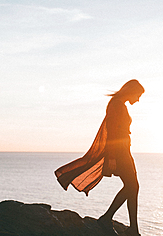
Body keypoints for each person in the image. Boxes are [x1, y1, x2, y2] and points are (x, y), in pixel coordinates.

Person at [55, 79, 144, 236]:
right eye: (138, 95)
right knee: (132, 187)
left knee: (132, 187)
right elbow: (111, 132)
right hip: (120, 152)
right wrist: (113, 158)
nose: (138, 100)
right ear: (131, 91)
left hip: (125, 151)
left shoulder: (119, 104)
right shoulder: (116, 104)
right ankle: (127, 227)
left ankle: (121, 224)